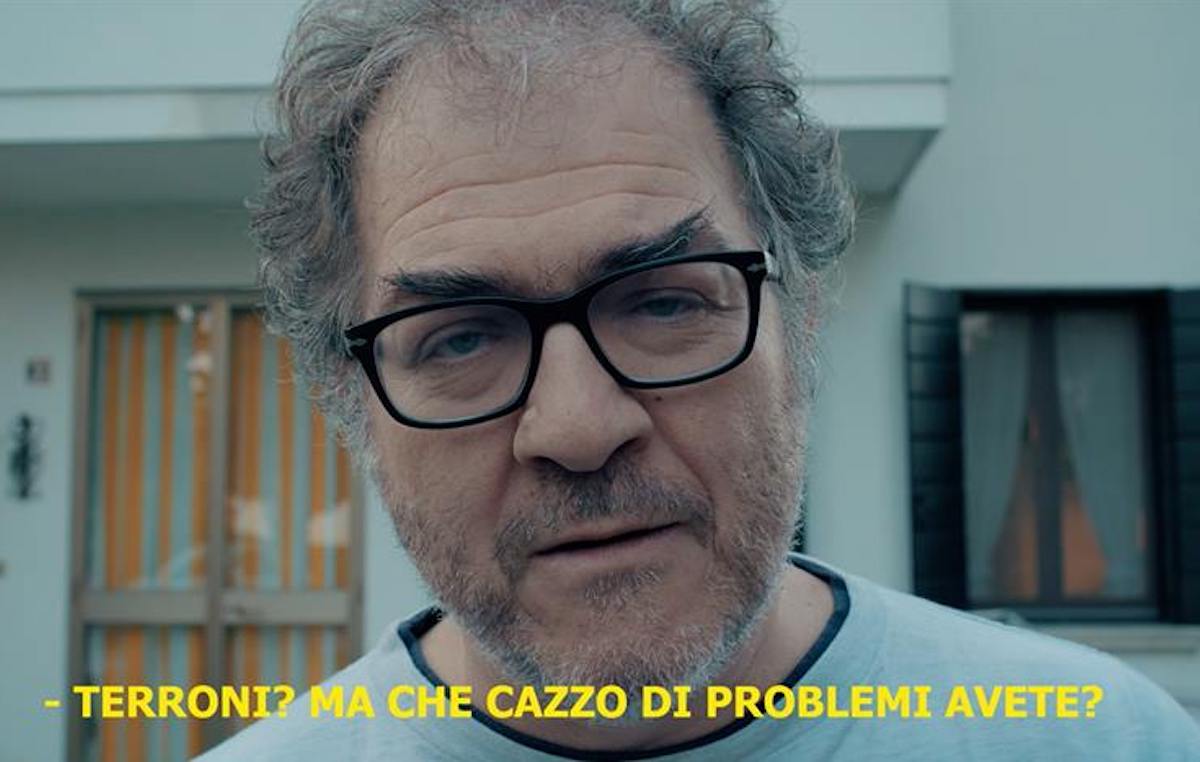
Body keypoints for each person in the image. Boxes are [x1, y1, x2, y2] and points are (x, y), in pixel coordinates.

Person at [200, 0, 1200, 759]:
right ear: (353, 402)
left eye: (663, 303)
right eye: (460, 340)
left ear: (800, 317)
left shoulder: (1107, 742)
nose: (578, 427)